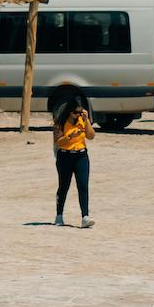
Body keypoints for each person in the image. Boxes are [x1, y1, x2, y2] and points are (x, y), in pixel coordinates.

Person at [52, 89, 94, 227]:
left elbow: (91, 136)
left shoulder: (82, 120)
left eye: (80, 112)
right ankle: (59, 215)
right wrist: (70, 137)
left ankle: (85, 217)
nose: (78, 115)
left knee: (83, 186)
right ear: (69, 112)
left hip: (81, 155)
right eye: (75, 112)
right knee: (64, 186)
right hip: (65, 156)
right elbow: (58, 142)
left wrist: (86, 120)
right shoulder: (60, 123)